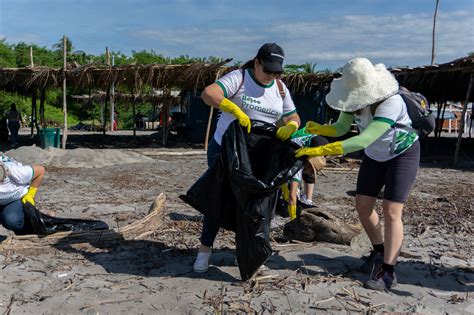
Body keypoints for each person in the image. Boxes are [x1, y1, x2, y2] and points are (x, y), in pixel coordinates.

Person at [295, 58, 420, 291]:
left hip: (402, 154)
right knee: (363, 205)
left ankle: (388, 270)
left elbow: (364, 138)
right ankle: (379, 250)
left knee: (392, 211)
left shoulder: (391, 103)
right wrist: (319, 129)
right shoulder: (354, 100)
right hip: (375, 155)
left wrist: (323, 149)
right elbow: (341, 129)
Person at [193, 43, 301, 273]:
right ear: (256, 62)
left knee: (256, 206)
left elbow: (293, 116)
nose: (270, 76)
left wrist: (290, 126)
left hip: (258, 155)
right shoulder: (239, 77)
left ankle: (246, 253)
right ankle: (204, 250)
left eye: (276, 72)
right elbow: (209, 93)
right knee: (219, 198)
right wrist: (233, 108)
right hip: (225, 148)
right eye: (267, 70)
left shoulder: (280, 88)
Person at [280, 128, 328, 219]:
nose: (311, 173)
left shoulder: (303, 161)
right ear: (308, 165)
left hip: (302, 144)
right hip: (283, 147)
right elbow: (291, 195)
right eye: (312, 170)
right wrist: (293, 217)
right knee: (290, 190)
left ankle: (306, 200)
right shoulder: (298, 164)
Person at [0, 155, 45, 234]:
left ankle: (25, 231)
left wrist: (30, 194)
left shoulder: (16, 172)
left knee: (12, 220)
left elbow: (40, 170)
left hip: (14, 200)